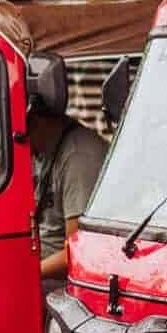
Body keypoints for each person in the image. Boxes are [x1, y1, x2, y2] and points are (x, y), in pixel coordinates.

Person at [29, 96, 107, 291]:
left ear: (35, 121)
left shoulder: (78, 157)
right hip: (42, 265)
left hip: (64, 282)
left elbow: (77, 251)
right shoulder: (44, 151)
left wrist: (27, 274)